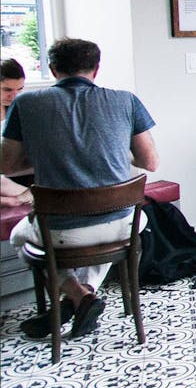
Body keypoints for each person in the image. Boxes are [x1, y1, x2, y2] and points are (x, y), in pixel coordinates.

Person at [1, 38, 160, 340]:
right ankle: (80, 298)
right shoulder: (125, 100)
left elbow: (7, 165)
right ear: (96, 70)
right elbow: (150, 162)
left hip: (61, 232)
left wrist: (51, 155)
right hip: (122, 224)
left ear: (52, 69)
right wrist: (108, 153)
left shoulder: (26, 103)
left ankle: (76, 296)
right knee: (106, 232)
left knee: (20, 236)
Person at [1, 57, 33, 208]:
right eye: (7, 90)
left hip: (17, 170)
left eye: (19, 89)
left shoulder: (19, 109)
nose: (14, 96)